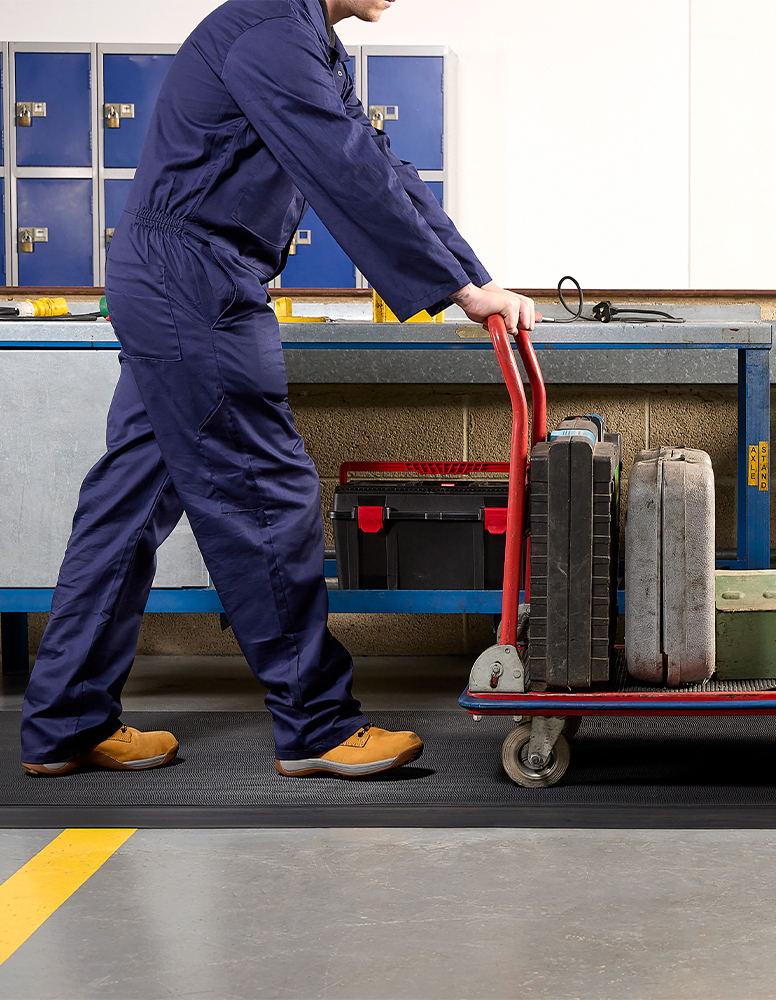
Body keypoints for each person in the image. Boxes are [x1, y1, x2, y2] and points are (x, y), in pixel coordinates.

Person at [20, 0, 533, 778]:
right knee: (266, 495)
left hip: (176, 278)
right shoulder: (273, 35)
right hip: (194, 281)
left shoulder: (310, 42)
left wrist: (475, 278)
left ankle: (66, 721)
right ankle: (317, 726)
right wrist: (460, 291)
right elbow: (344, 167)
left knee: (128, 504)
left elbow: (383, 164)